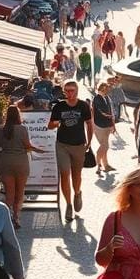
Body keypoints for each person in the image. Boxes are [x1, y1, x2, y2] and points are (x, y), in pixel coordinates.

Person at [0, 104, 46, 229]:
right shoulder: (22, 129)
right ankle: (16, 216)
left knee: (9, 193)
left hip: (5, 162)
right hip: (20, 163)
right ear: (18, 115)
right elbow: (27, 146)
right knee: (20, 192)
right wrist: (39, 150)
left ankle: (5, 217)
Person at [48, 80, 94, 222]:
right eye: (67, 90)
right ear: (64, 91)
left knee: (76, 174)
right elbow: (50, 126)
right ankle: (68, 205)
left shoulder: (83, 106)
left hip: (79, 145)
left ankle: (77, 193)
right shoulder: (59, 106)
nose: (69, 93)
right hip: (62, 144)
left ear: (77, 91)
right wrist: (56, 123)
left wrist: (89, 142)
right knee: (64, 174)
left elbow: (89, 124)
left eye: (72, 90)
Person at [93, 81, 117, 175]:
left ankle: (106, 165)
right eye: (107, 88)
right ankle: (98, 165)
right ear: (102, 88)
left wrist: (112, 124)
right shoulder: (96, 98)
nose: (108, 90)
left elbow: (110, 110)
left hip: (106, 125)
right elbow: (99, 111)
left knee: (104, 147)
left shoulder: (106, 97)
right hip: (99, 126)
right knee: (104, 146)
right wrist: (108, 116)